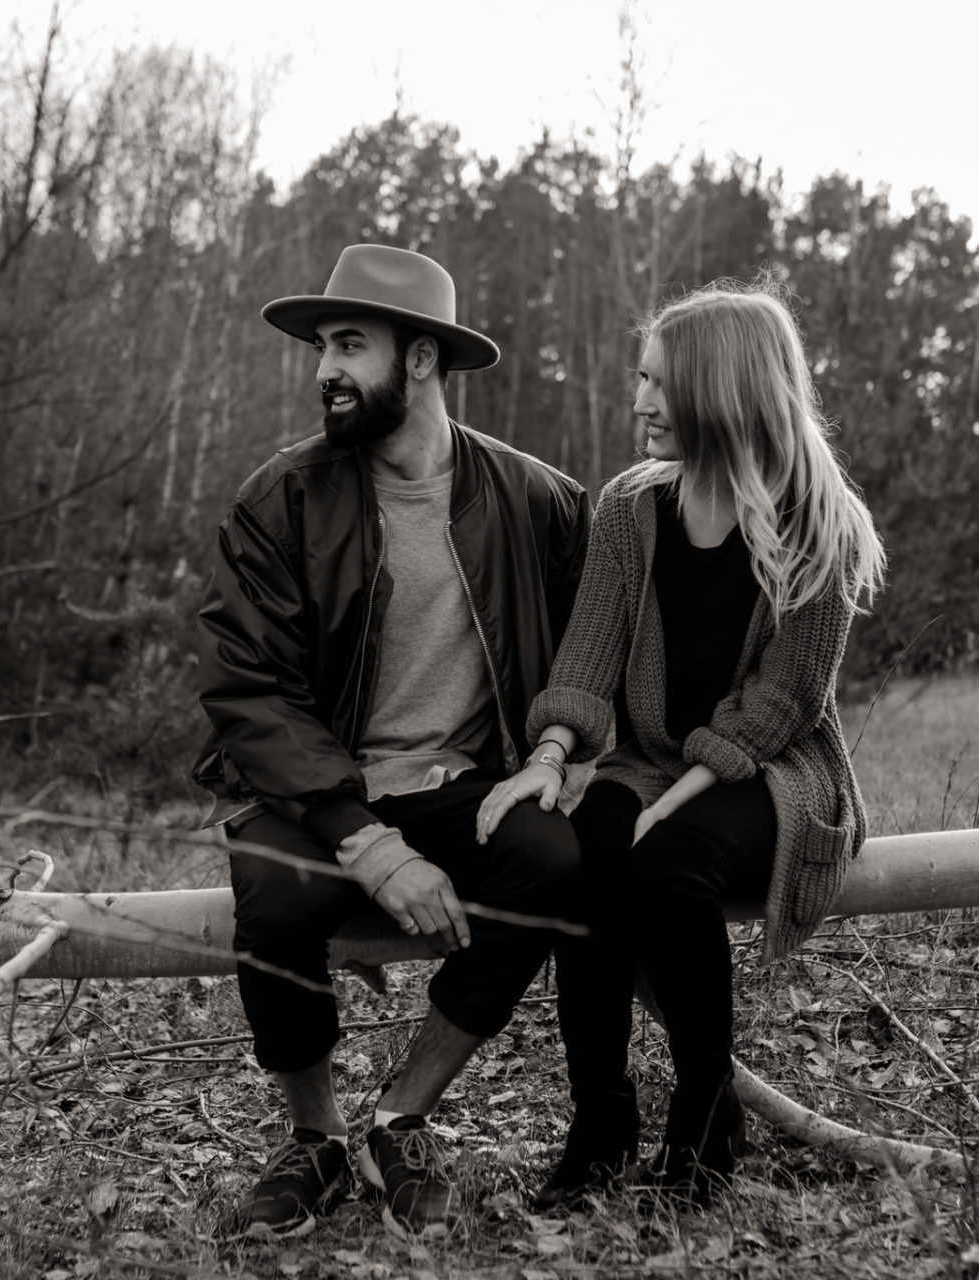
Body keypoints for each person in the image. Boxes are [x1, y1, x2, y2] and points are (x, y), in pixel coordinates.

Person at [194, 244, 591, 1241]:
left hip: (463, 781)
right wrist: (366, 842)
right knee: (275, 891)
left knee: (550, 858)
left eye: (349, 343)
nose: (324, 366)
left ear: (419, 359)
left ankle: (399, 1116)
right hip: (318, 790)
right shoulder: (281, 499)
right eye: (322, 344)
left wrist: (556, 757)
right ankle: (316, 1135)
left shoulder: (536, 498)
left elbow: (597, 644)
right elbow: (249, 688)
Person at [476, 280, 886, 1207]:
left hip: (775, 771)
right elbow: (588, 652)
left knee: (664, 867)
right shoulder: (631, 508)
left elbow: (788, 696)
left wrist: (675, 795)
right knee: (582, 862)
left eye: (662, 384)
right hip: (651, 757)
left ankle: (706, 1124)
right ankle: (600, 1122)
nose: (641, 402)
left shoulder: (820, 524)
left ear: (722, 392)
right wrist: (548, 757)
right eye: (641, 379)